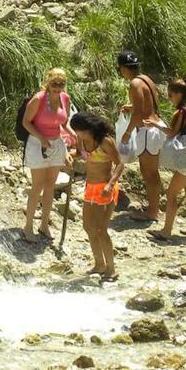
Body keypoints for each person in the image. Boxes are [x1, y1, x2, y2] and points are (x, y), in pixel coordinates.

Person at [147, 78, 186, 241]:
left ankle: (166, 231)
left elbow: (172, 132)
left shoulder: (181, 112)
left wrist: (155, 124)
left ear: (179, 94)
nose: (170, 98)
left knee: (171, 194)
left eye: (171, 95)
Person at [22, 68, 75, 243]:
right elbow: (26, 122)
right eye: (54, 84)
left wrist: (72, 134)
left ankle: (44, 224)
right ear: (48, 82)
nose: (57, 88)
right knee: (37, 186)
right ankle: (28, 226)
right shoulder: (38, 99)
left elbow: (64, 122)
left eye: (61, 84)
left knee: (50, 185)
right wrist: (41, 138)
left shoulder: (65, 98)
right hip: (38, 144)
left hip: (56, 143)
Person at [71, 112, 124, 282]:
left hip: (105, 187)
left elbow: (120, 164)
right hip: (90, 187)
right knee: (88, 226)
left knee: (101, 229)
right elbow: (79, 153)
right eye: (77, 131)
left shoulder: (105, 141)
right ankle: (99, 264)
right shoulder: (82, 140)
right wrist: (69, 155)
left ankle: (111, 268)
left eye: (80, 131)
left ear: (89, 128)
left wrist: (110, 185)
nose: (79, 134)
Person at [117, 51, 164, 222]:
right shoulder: (146, 79)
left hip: (146, 131)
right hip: (156, 127)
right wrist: (132, 106)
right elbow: (151, 103)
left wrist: (127, 133)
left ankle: (152, 212)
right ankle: (154, 208)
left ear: (123, 68)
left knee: (148, 172)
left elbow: (137, 115)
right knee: (153, 172)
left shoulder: (135, 84)